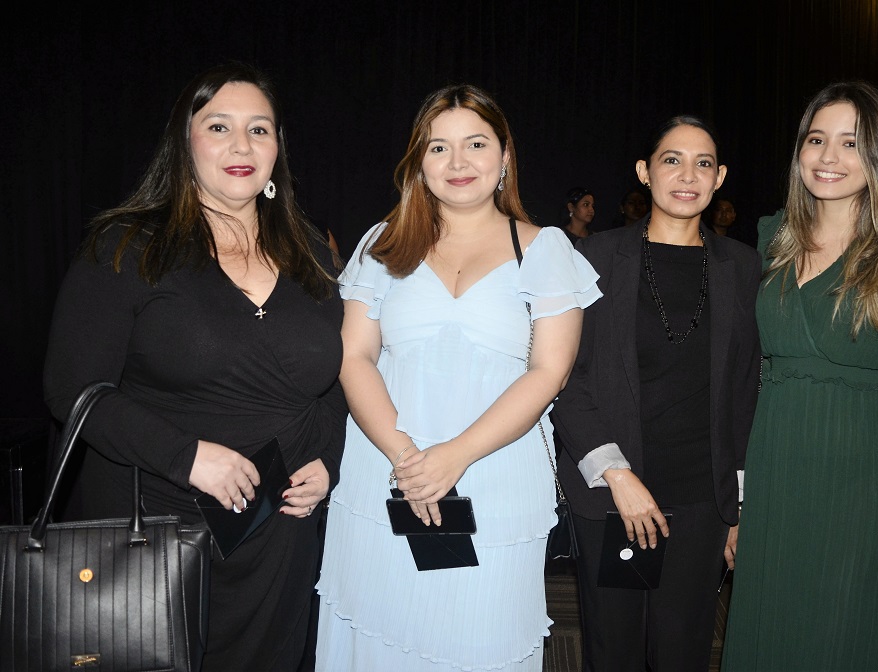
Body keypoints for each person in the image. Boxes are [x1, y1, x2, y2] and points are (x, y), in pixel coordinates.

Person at [42, 63, 347, 671]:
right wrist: (188, 456)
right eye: (219, 126)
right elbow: (71, 391)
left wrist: (329, 461)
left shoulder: (310, 251)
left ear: (278, 149)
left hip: (279, 533)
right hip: (155, 531)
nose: (242, 145)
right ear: (185, 145)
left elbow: (334, 380)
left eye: (260, 129)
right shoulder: (126, 246)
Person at [313, 84, 601, 671]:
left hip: (493, 480)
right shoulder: (383, 242)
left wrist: (456, 456)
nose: (458, 162)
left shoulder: (546, 251)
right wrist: (408, 457)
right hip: (386, 472)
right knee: (379, 630)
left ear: (504, 156)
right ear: (419, 162)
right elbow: (353, 358)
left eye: (475, 144)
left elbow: (550, 372)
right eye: (438, 148)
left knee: (479, 637)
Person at [720, 81, 878, 671]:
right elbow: (750, 382)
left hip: (855, 487)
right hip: (774, 475)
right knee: (764, 634)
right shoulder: (773, 235)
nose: (829, 158)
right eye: (816, 140)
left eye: (851, 143)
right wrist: (743, 507)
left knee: (832, 643)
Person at [553, 116, 761, 672]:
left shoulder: (742, 267)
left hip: (700, 502)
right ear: (645, 172)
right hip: (616, 495)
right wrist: (618, 476)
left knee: (681, 653)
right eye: (672, 159)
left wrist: (739, 508)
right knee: (614, 653)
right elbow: (561, 378)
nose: (687, 174)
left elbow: (745, 392)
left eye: (703, 163)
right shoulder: (592, 259)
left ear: (719, 178)